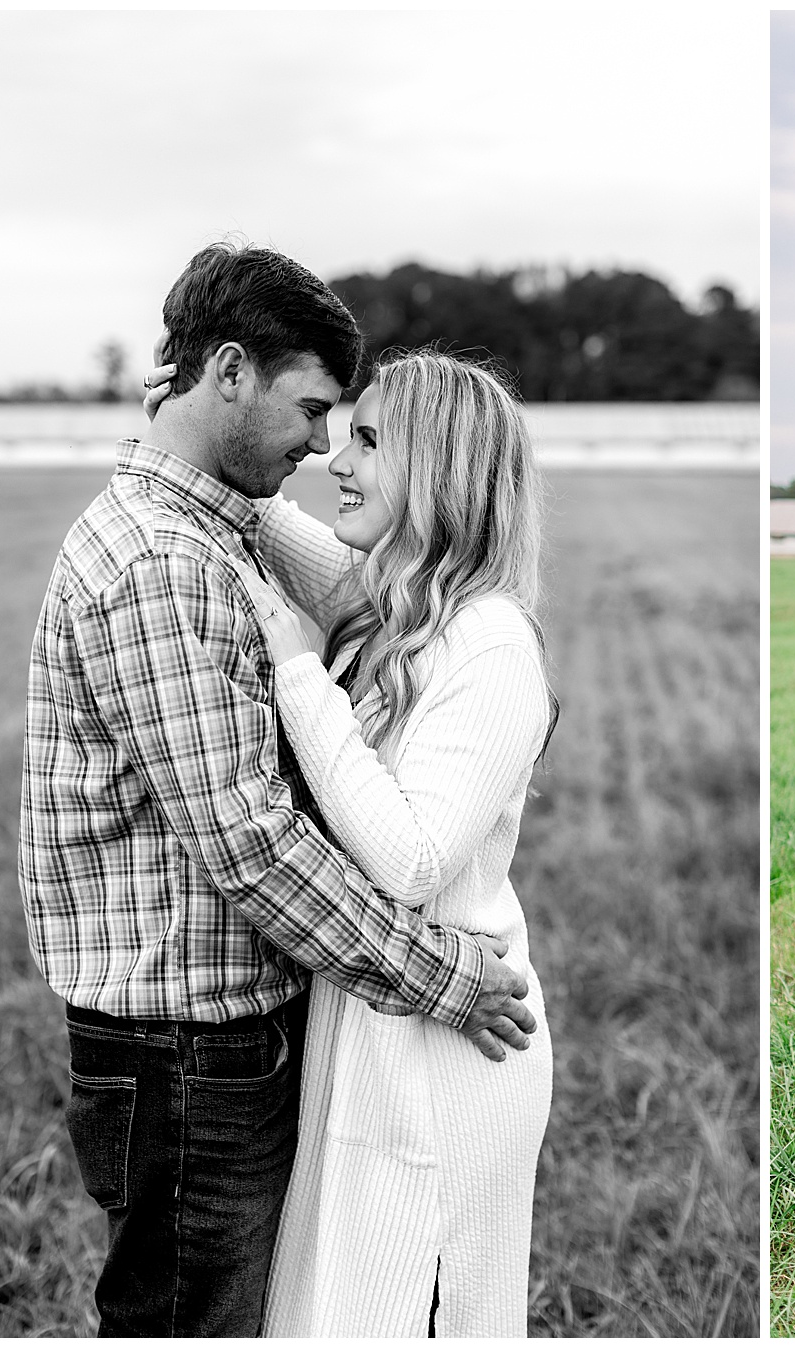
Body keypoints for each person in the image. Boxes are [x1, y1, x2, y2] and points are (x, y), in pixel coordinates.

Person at [18, 242, 536, 1337]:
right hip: (185, 1051)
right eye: (315, 413)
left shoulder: (237, 540)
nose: (322, 449)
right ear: (233, 371)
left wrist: (170, 440)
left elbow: (329, 562)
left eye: (357, 435)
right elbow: (250, 841)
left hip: (258, 1042)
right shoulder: (165, 560)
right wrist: (442, 976)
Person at [141, 345, 555, 1335]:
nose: (337, 458)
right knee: (340, 1299)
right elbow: (263, 516)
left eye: (368, 439)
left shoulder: (490, 643)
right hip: (379, 1019)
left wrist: (300, 678)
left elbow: (412, 858)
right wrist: (185, 426)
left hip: (450, 1054)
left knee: (417, 1304)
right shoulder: (399, 605)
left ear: (438, 467)